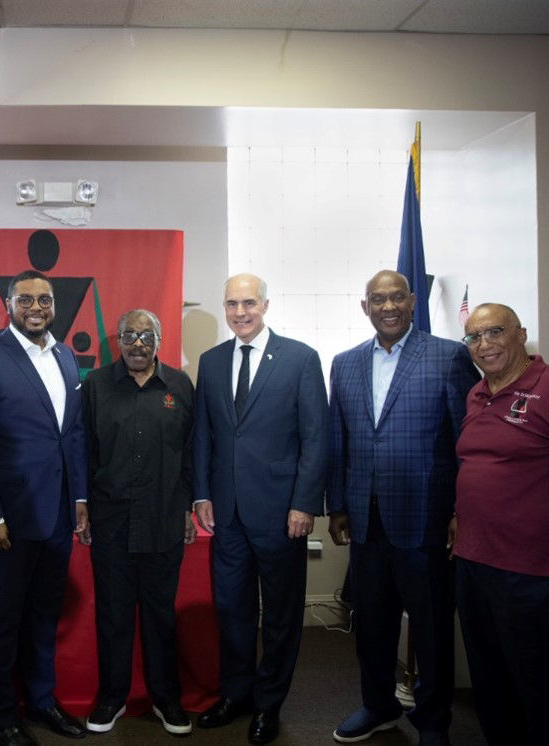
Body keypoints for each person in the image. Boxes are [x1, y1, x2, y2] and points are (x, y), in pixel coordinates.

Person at [325, 270, 479, 746]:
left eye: (396, 297)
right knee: (371, 624)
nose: (387, 306)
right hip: (366, 521)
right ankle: (378, 705)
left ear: (412, 302)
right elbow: (340, 440)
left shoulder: (448, 356)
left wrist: (459, 509)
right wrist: (338, 506)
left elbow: (466, 438)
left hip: (425, 518)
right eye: (377, 299)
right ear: (364, 306)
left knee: (431, 628)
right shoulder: (345, 363)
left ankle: (432, 721)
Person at [0, 269, 90, 746]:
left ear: (54, 306)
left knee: (43, 615)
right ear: (8, 304)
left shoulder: (66, 356)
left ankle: (42, 700)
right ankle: (1, 717)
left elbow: (70, 434)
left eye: (45, 300)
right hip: (5, 523)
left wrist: (79, 499)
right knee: (1, 620)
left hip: (54, 517)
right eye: (26, 299)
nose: (37, 307)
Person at [192, 273, 328, 745]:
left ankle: (269, 704)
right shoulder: (210, 363)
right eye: (232, 304)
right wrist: (202, 494)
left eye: (248, 303)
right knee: (231, 609)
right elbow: (204, 435)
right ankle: (237, 695)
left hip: (281, 513)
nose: (240, 312)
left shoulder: (300, 359)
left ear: (265, 305)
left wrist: (305, 503)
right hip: (225, 513)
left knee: (281, 615)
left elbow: (316, 438)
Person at [451, 303, 549, 746]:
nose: (484, 344)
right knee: (492, 684)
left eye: (495, 332)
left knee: (547, 690)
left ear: (521, 334)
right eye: (474, 337)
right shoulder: (478, 394)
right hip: (477, 567)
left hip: (541, 575)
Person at [81, 309, 196, 737]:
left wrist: (186, 505)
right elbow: (83, 451)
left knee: (160, 615)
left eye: (147, 335)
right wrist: (83, 505)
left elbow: (191, 452)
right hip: (110, 522)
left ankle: (167, 700)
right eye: (129, 334)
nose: (137, 343)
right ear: (118, 341)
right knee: (113, 615)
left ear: (159, 340)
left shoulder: (180, 386)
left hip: (164, 520)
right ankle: (112, 698)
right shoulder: (95, 386)